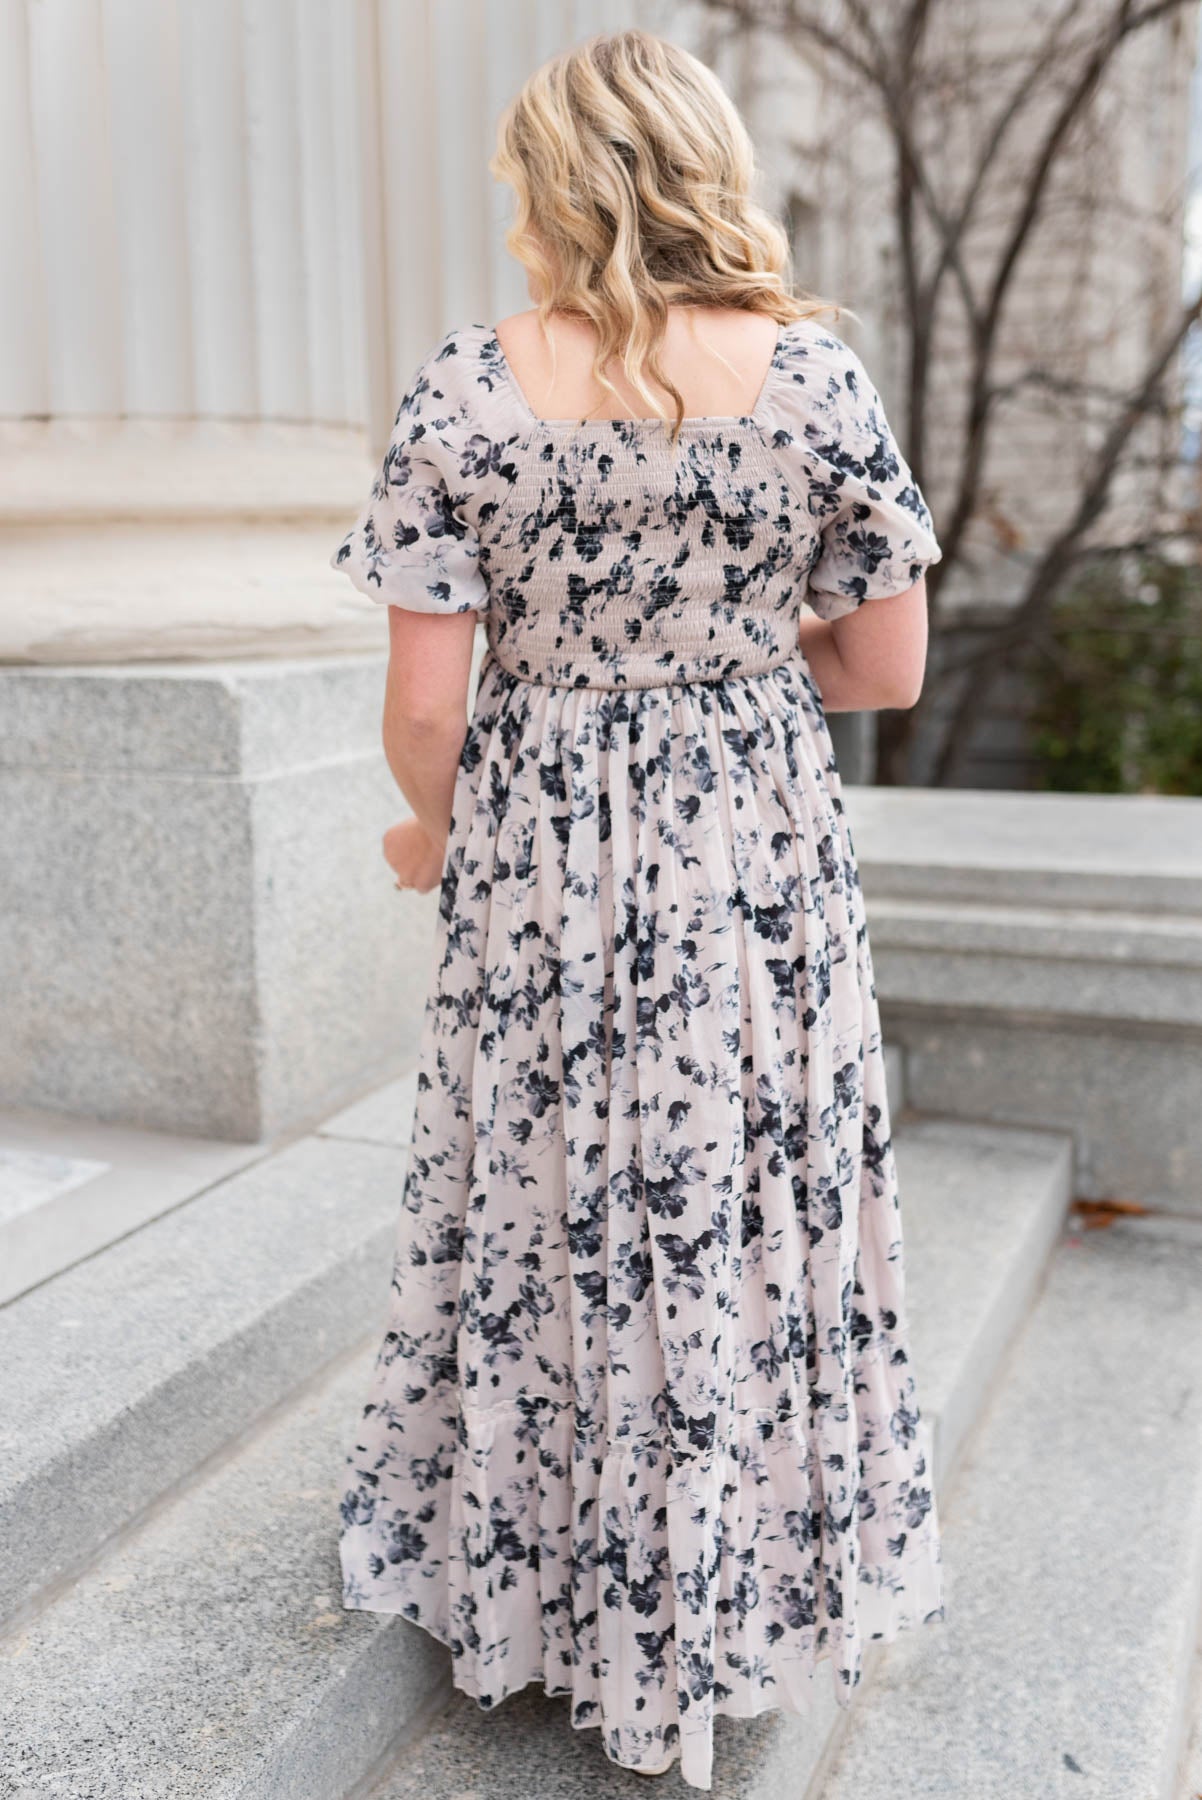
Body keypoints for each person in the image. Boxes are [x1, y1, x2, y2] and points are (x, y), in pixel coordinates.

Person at [329, 27, 945, 1791]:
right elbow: (886, 667)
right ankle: (736, 1578)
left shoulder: (466, 384)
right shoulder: (815, 382)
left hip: (539, 846)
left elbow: (428, 706)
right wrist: (736, 641)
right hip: (750, 846)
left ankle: (541, 1588)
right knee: (741, 1188)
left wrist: (428, 834)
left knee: (544, 1191)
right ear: (702, 171)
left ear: (555, 184)